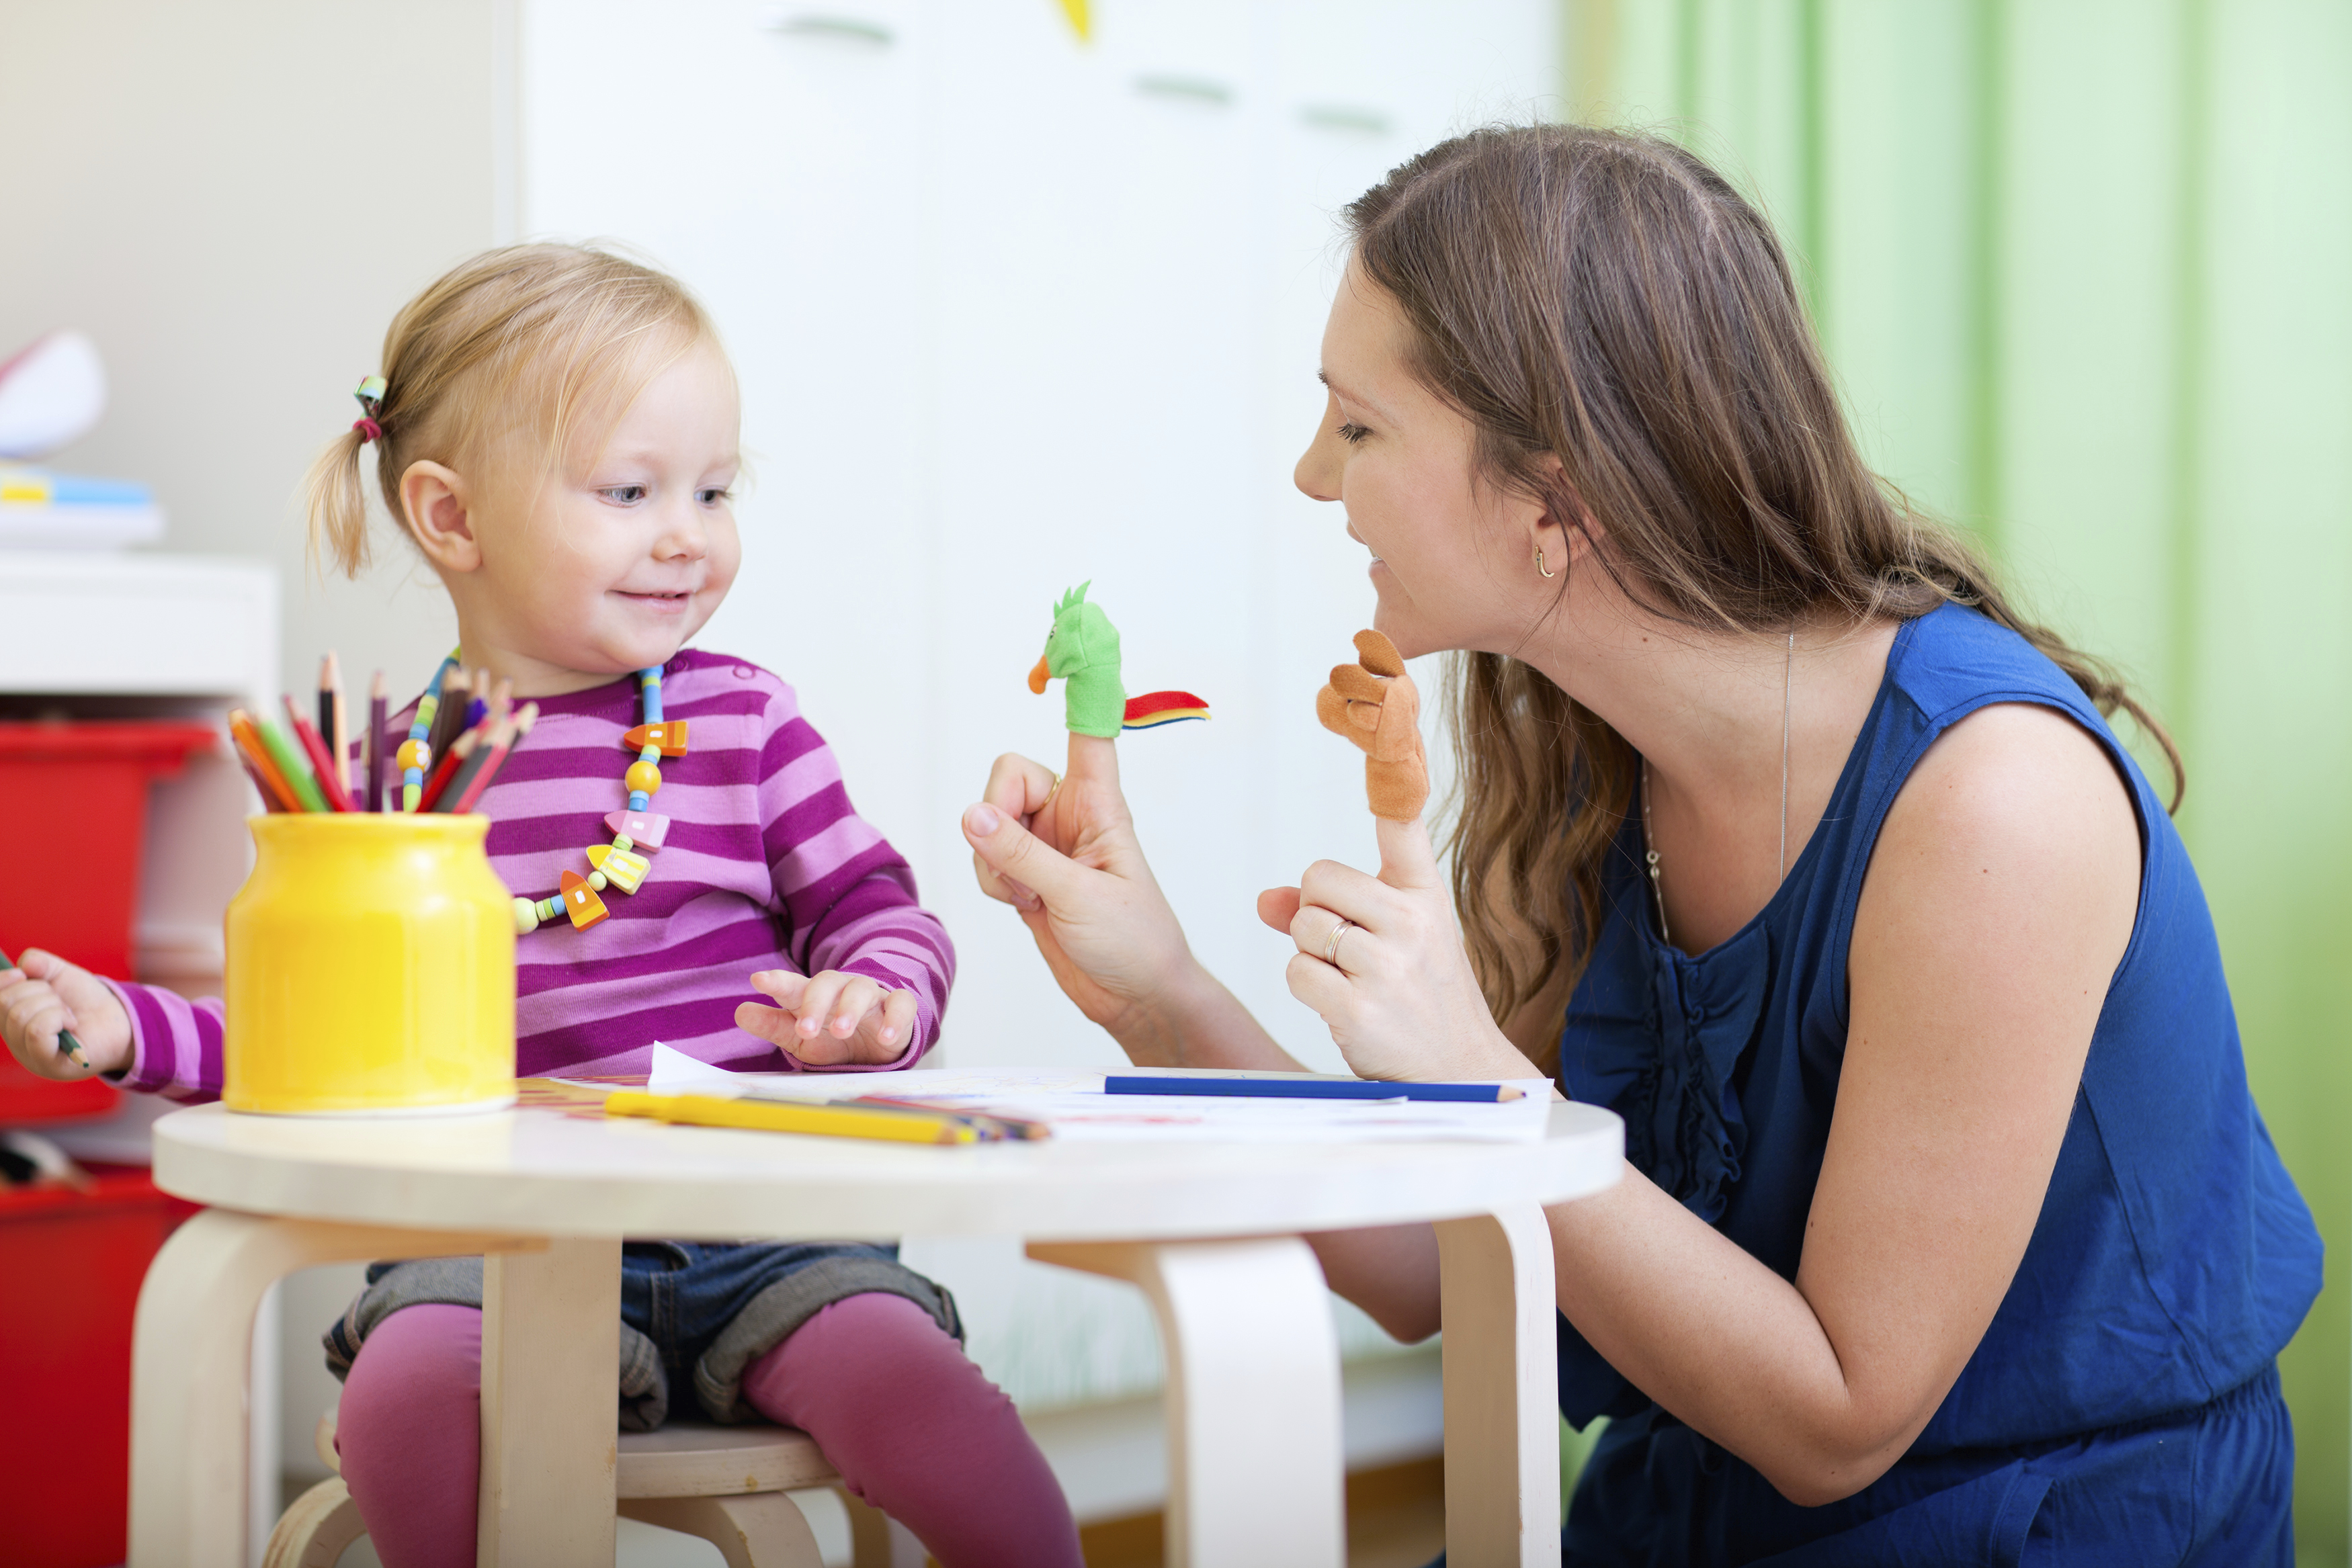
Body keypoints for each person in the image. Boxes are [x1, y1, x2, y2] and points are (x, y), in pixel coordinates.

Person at [960, 126, 2320, 1564]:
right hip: (1681, 1519)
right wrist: (1157, 988)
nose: (1311, 476)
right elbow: (1444, 1265)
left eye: (1357, 428)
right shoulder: (1580, 751)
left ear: (1554, 500)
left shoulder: (1994, 806)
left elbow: (1836, 1419)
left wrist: (1478, 1072)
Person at [0, 245, 1081, 1568]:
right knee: (404, 1402)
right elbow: (313, 1043)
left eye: (714, 489)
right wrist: (127, 1027)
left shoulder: (744, 720)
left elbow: (877, 908)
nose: (688, 531)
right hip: (491, 1243)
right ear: (451, 519)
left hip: (771, 1234)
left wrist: (879, 1000)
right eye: (631, 491)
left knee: (942, 1420)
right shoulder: (386, 780)